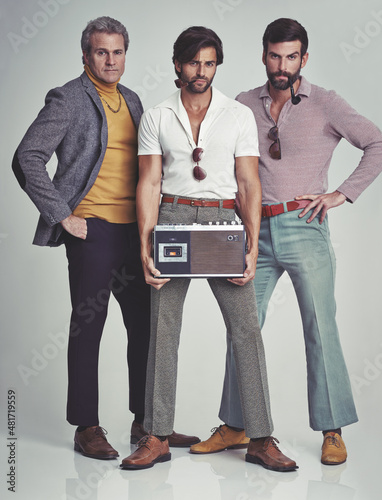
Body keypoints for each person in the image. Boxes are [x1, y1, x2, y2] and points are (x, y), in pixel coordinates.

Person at [12, 16, 198, 461]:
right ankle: (87, 426)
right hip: (92, 230)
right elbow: (26, 157)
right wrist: (63, 215)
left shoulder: (133, 101)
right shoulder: (68, 99)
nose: (110, 60)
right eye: (101, 51)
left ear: (125, 55)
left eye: (117, 52)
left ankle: (146, 423)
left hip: (135, 231)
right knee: (88, 326)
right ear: (86, 54)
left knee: (146, 327)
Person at [197, 17, 382, 465]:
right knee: (243, 329)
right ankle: (237, 425)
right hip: (252, 233)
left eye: (291, 56)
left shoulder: (326, 104)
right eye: (275, 56)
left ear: (303, 58)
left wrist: (341, 193)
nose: (283, 65)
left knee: (320, 328)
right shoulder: (242, 104)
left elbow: (376, 143)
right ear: (264, 55)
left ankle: (332, 430)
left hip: (304, 225)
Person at [121, 26, 297, 472]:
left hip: (223, 222)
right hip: (174, 218)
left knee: (246, 332)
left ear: (217, 66)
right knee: (163, 331)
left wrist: (253, 244)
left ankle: (260, 438)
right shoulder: (157, 116)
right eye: (194, 62)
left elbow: (248, 183)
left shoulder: (237, 115)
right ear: (177, 64)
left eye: (210, 63)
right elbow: (150, 182)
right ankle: (157, 435)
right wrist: (145, 244)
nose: (202, 71)